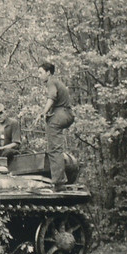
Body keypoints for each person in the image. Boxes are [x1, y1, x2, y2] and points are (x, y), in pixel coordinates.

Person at [38, 61, 75, 189]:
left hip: (62, 113)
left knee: (54, 148)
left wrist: (43, 112)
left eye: (40, 73)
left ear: (48, 73)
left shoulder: (51, 82)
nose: (39, 76)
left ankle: (59, 182)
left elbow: (52, 97)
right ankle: (60, 179)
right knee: (56, 146)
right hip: (65, 113)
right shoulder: (56, 82)